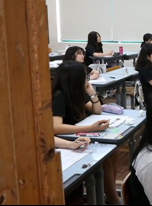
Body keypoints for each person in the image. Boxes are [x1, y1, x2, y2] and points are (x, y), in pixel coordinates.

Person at [51, 61, 122, 205]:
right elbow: (56, 127)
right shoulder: (59, 96)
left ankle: (110, 193)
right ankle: (113, 198)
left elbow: (97, 110)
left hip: (80, 136)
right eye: (84, 78)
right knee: (104, 159)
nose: (87, 80)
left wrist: (92, 93)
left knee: (112, 152)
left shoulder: (76, 92)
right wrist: (90, 128)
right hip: (66, 139)